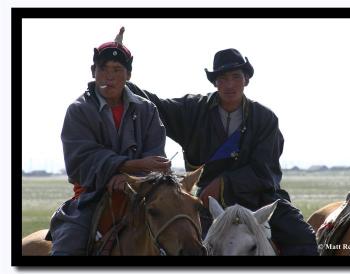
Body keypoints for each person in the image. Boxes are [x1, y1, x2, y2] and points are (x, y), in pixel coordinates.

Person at [128, 48, 318, 255]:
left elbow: (265, 171)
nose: (229, 84)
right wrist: (122, 73)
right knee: (189, 245)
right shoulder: (193, 110)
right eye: (222, 78)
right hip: (209, 204)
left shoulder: (265, 119)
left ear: (246, 80)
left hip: (260, 198)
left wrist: (222, 183)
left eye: (236, 77)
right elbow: (154, 104)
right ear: (214, 82)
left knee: (303, 237)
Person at [48, 27, 171, 255]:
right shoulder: (79, 111)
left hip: (141, 195)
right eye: (103, 69)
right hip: (91, 198)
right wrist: (131, 165)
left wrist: (130, 177)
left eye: (117, 69)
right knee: (68, 246)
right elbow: (80, 160)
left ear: (128, 75)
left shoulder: (147, 109)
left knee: (184, 235)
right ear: (93, 71)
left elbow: (156, 159)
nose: (109, 76)